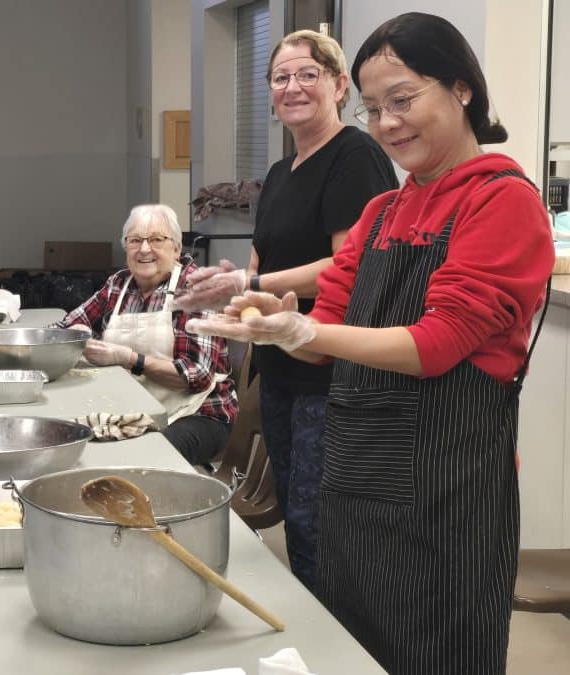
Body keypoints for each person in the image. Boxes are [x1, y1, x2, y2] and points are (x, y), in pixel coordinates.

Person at [188, 12, 553, 674]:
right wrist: (274, 319)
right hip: (355, 487)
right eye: (374, 108)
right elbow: (322, 343)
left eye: (404, 100)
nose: (387, 124)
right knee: (350, 643)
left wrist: (305, 328)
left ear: (462, 88)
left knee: (433, 649)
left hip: (446, 493)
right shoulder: (385, 212)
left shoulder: (500, 200)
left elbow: (439, 343)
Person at [176, 30, 398, 595]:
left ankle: (336, 642)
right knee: (297, 517)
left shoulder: (356, 157)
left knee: (316, 520)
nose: (292, 87)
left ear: (340, 85)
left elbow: (348, 264)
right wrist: (224, 289)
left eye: (307, 74)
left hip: (329, 369)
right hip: (279, 368)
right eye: (280, 77)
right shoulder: (279, 173)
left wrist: (251, 280)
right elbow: (260, 261)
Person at [55, 204, 237, 465]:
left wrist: (131, 359)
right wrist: (76, 334)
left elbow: (196, 376)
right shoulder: (119, 284)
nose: (144, 249)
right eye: (135, 240)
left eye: (156, 240)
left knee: (145, 460)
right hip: (131, 407)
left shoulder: (196, 289)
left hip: (197, 413)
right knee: (72, 445)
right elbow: (62, 330)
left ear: (176, 248)